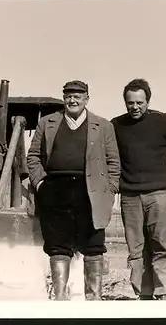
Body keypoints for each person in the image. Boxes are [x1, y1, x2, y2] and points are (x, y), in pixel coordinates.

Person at [27, 80, 120, 301]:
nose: (73, 100)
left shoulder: (103, 126)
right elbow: (33, 157)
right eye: (68, 95)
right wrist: (41, 184)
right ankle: (60, 298)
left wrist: (110, 190)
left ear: (87, 98)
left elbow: (113, 163)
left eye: (78, 96)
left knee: (93, 244)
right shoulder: (47, 123)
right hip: (55, 190)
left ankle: (94, 298)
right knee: (58, 245)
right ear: (63, 99)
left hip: (90, 191)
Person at [111, 78, 166, 300]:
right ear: (125, 102)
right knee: (136, 250)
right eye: (131, 103)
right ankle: (144, 296)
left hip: (160, 195)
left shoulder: (162, 121)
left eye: (140, 102)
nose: (135, 107)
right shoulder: (116, 125)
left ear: (148, 101)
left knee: (163, 246)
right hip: (129, 196)